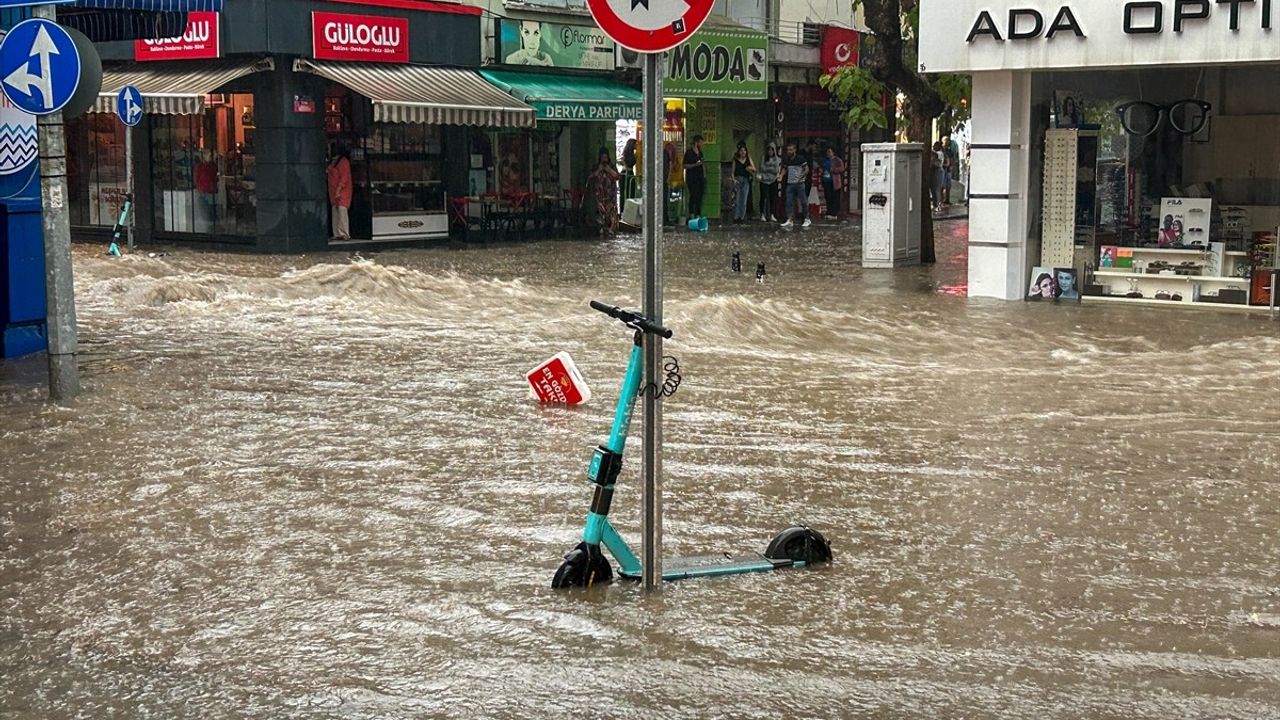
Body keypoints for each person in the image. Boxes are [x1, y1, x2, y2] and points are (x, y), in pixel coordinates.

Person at [588, 148, 621, 236]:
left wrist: (608, 169)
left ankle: (611, 229)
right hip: (600, 195)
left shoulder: (611, 166)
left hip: (610, 195)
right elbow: (590, 177)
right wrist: (599, 170)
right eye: (602, 157)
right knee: (601, 212)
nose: (604, 159)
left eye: (606, 157)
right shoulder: (596, 166)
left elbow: (617, 176)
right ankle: (603, 228)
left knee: (611, 211)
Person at [779, 143, 810, 229]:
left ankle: (807, 218)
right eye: (788, 150)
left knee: (803, 201)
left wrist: (801, 176)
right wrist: (781, 176)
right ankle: (790, 219)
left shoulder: (800, 159)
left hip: (800, 183)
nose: (789, 151)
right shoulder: (787, 159)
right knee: (788, 201)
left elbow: (807, 169)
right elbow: (785, 169)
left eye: (791, 150)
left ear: (795, 150)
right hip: (790, 183)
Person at [326, 145, 352, 240]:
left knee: (342, 210)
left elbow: (344, 177)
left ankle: (345, 233)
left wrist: (339, 190)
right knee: (335, 211)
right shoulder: (333, 162)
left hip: (342, 190)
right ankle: (337, 233)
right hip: (333, 190)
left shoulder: (343, 162)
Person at [731, 143, 756, 224]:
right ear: (738, 152)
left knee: (744, 200)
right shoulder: (735, 160)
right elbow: (733, 171)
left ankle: (742, 217)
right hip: (738, 179)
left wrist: (749, 168)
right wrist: (734, 179)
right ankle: (736, 217)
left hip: (746, 180)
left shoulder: (748, 158)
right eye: (741, 150)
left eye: (744, 150)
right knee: (737, 199)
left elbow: (754, 169)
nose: (743, 152)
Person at [684, 135, 706, 219]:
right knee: (693, 195)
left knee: (699, 197)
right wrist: (695, 165)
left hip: (700, 177)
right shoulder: (689, 153)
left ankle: (698, 214)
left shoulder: (700, 152)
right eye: (701, 142)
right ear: (696, 143)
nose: (702, 144)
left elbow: (702, 163)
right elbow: (685, 165)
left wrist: (704, 176)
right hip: (691, 178)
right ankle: (691, 214)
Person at [759, 143, 781, 222]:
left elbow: (776, 170)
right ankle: (762, 214)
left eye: (772, 150)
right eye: (769, 150)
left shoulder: (777, 159)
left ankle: (772, 214)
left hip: (773, 180)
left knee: (772, 198)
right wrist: (771, 168)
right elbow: (762, 168)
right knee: (763, 197)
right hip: (764, 180)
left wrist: (768, 168)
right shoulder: (763, 158)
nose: (770, 151)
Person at [822, 146, 845, 220]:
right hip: (826, 180)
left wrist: (834, 169)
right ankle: (829, 212)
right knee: (828, 197)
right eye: (827, 152)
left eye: (829, 152)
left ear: (833, 152)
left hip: (834, 181)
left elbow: (842, 168)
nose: (828, 153)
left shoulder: (837, 160)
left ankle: (834, 213)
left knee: (834, 197)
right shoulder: (825, 160)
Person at [931, 141, 946, 213]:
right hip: (934, 172)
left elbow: (936, 155)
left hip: (938, 171)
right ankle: (935, 204)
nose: (934, 147)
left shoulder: (939, 153)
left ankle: (937, 204)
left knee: (937, 188)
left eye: (935, 146)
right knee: (934, 189)